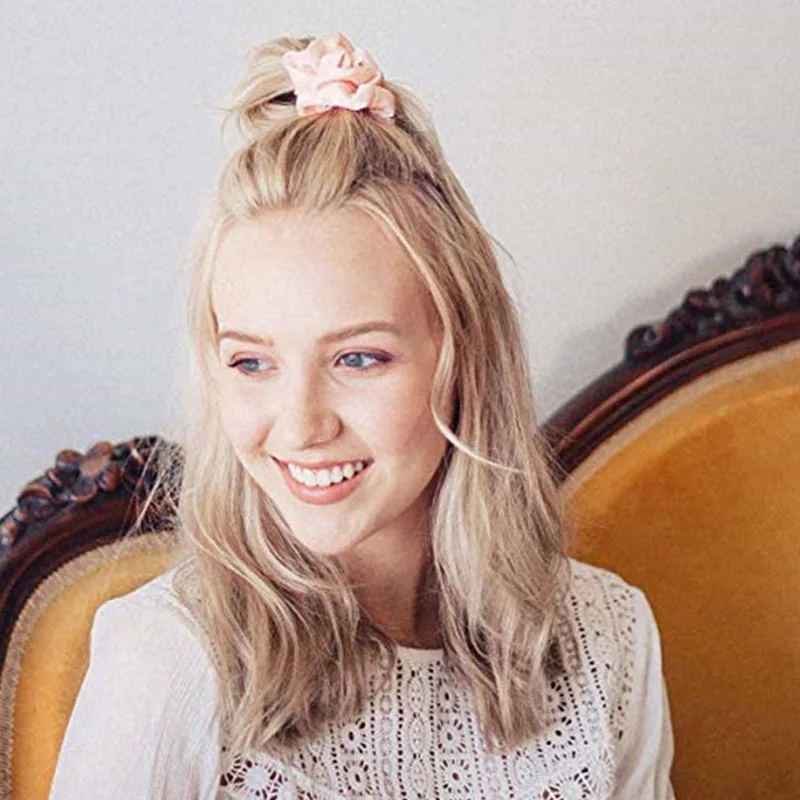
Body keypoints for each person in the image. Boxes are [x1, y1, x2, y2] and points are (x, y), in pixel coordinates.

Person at [48, 32, 676, 799]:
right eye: (252, 362)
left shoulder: (610, 637)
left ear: (463, 357)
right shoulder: (169, 661)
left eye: (357, 358)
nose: (300, 425)